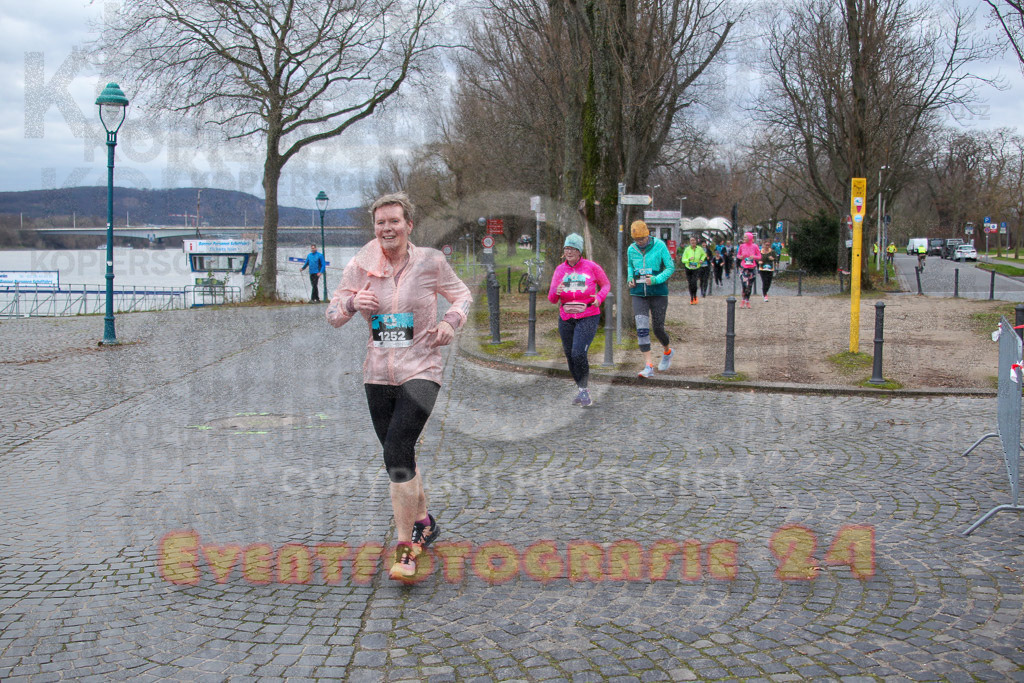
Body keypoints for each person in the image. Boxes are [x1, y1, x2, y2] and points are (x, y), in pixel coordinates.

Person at [326, 192, 472, 581]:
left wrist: (450, 321)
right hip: (377, 374)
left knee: (395, 453)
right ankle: (425, 521)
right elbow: (333, 314)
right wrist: (354, 303)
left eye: (394, 221)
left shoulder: (431, 262)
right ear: (374, 227)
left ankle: (406, 548)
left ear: (409, 225)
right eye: (380, 223)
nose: (387, 228)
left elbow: (462, 295)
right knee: (401, 455)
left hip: (422, 368)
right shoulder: (361, 265)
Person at [548, 233, 611, 407]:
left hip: (588, 315)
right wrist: (557, 292)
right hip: (566, 317)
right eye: (567, 248)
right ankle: (582, 389)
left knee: (578, 353)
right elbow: (552, 299)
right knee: (570, 356)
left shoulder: (591, 267)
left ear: (580, 251)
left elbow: (606, 284)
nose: (569, 252)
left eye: (573, 248)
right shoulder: (560, 270)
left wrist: (599, 297)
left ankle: (584, 390)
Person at [626, 220, 675, 377]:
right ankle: (648, 366)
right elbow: (630, 266)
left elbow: (670, 267)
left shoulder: (660, 245)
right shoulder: (631, 249)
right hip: (638, 293)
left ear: (648, 235)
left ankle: (667, 351)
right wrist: (630, 277)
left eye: (642, 239)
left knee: (658, 328)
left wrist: (655, 279)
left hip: (658, 292)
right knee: (641, 328)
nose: (640, 242)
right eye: (637, 240)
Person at [737, 232, 761, 308]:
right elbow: (738, 255)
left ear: (749, 238)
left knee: (749, 285)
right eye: (743, 237)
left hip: (752, 267)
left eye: (745, 237)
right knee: (744, 284)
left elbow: (759, 256)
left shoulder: (755, 246)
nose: (744, 239)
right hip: (744, 268)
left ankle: (747, 300)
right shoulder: (741, 246)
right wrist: (740, 257)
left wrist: (753, 257)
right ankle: (743, 300)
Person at [680, 236, 706, 305]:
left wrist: (701, 260)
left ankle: (695, 296)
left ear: (696, 241)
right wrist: (688, 259)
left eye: (694, 240)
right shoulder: (687, 249)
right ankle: (691, 297)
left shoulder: (699, 249)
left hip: (696, 268)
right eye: (691, 240)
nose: (693, 242)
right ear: (690, 242)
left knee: (694, 283)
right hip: (688, 268)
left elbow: (704, 255)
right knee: (690, 283)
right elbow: (683, 259)